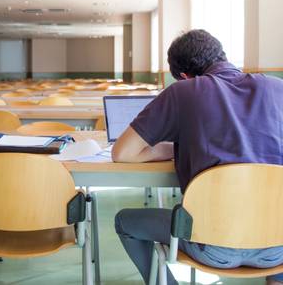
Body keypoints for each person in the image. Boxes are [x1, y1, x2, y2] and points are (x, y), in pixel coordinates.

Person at [112, 29, 283, 285]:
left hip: (213, 246)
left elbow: (123, 152)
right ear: (222, 54)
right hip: (277, 245)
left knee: (124, 221)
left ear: (184, 76)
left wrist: (175, 147)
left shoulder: (183, 92)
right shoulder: (277, 88)